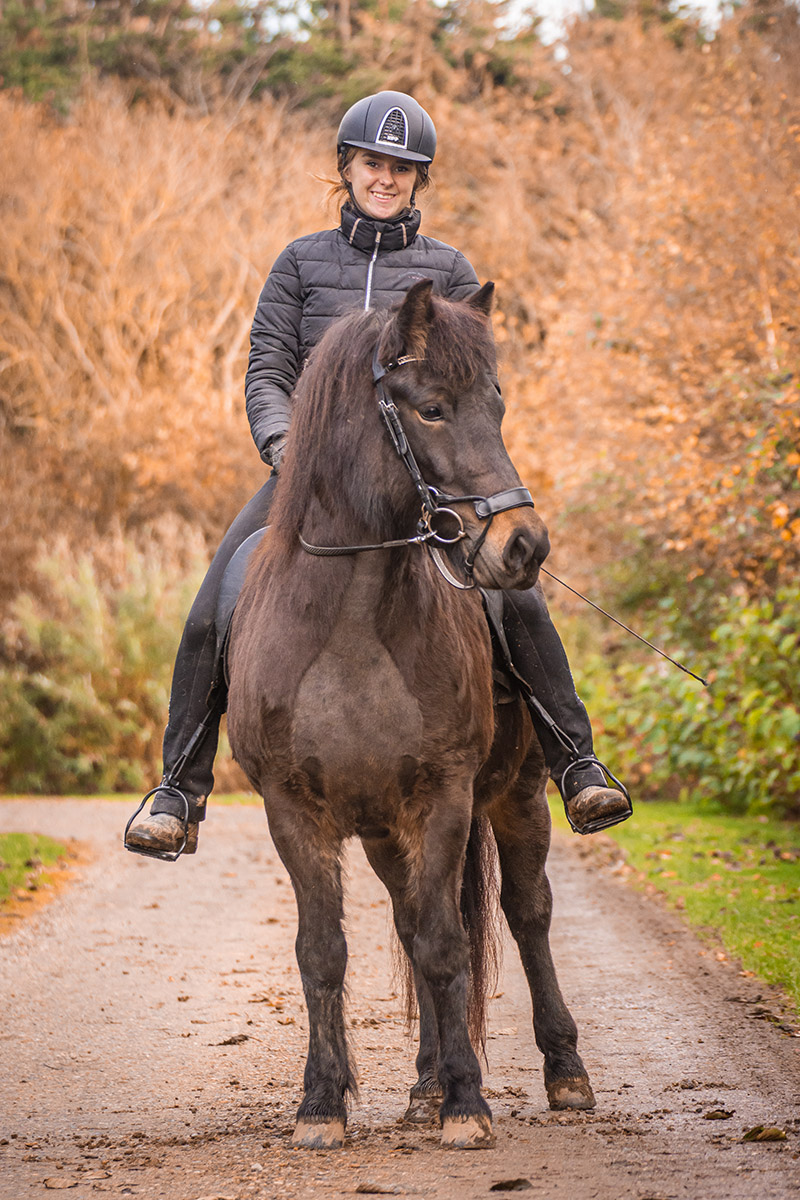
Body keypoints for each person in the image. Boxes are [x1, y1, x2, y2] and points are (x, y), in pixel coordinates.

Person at [125, 90, 631, 859]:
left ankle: (575, 761)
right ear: (347, 167)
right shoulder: (299, 263)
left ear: (417, 178)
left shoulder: (448, 270)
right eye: (373, 164)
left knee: (513, 599)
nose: (386, 179)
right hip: (311, 481)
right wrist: (285, 447)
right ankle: (178, 789)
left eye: (402, 168)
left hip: (419, 487)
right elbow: (267, 368)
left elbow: (464, 395)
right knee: (217, 597)